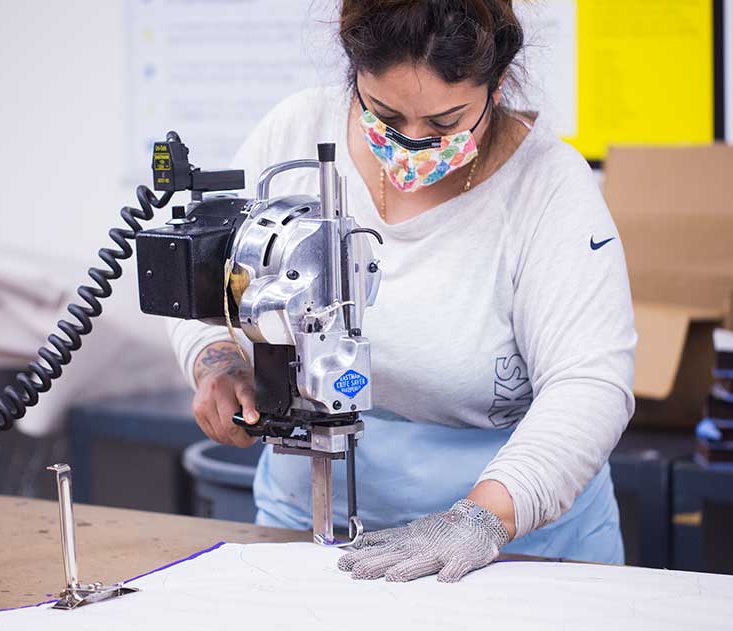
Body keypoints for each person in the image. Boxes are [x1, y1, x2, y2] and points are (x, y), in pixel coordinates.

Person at [165, 0, 636, 583]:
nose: (412, 144)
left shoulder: (548, 186)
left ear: (498, 83)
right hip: (310, 524)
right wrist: (219, 362)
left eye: (444, 124)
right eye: (386, 117)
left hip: (514, 549)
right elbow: (211, 283)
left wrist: (481, 519)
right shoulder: (295, 134)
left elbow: (589, 386)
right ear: (354, 74)